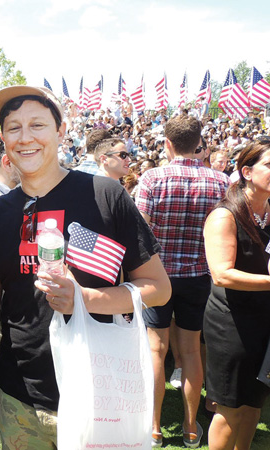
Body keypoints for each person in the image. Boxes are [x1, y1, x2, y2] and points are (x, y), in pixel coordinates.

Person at [0, 85, 171, 449]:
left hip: (99, 394)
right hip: (20, 399)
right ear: (3, 139)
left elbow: (158, 288)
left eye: (37, 125)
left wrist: (84, 298)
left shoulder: (106, 194)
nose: (25, 138)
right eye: (13, 127)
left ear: (61, 132)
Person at [135, 114, 231, 448]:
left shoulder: (152, 178)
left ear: (168, 144)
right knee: (191, 352)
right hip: (199, 277)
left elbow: (140, 232)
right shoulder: (221, 182)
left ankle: (155, 427)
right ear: (199, 144)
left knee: (156, 350)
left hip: (158, 276)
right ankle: (191, 427)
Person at [203, 141, 270, 450]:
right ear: (247, 171)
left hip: (264, 320)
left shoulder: (267, 212)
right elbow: (222, 274)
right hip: (232, 325)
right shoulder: (224, 217)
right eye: (269, 165)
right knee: (230, 408)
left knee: (255, 401)